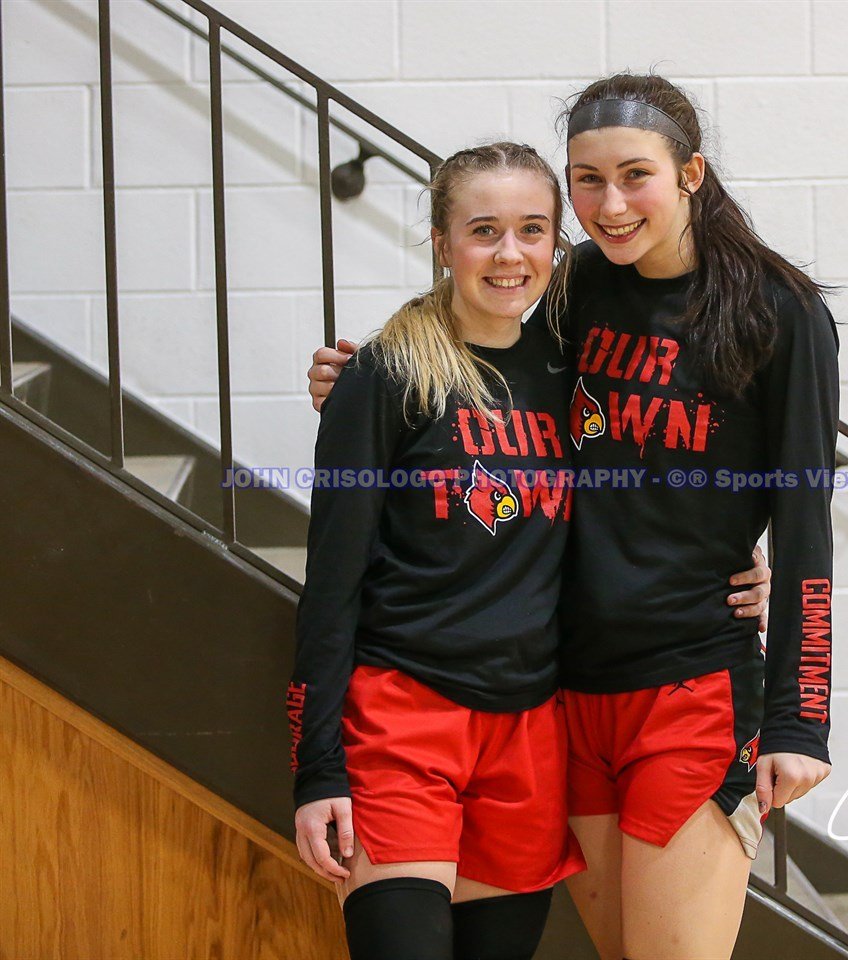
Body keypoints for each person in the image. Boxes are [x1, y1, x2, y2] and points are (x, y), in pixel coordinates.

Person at [310, 74, 840, 960]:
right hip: (566, 693)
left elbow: (806, 518)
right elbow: (489, 358)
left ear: (691, 174)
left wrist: (800, 716)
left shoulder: (779, 312)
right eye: (587, 180)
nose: (610, 205)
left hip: (690, 684)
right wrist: (367, 379)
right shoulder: (581, 283)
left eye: (635, 176)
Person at [288, 142, 586, 960]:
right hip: (402, 721)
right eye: (484, 230)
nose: (509, 253)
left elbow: (645, 508)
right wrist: (317, 769)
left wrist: (748, 558)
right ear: (442, 241)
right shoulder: (384, 377)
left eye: (532, 230)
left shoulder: (572, 374)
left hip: (528, 731)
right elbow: (331, 583)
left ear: (555, 244)